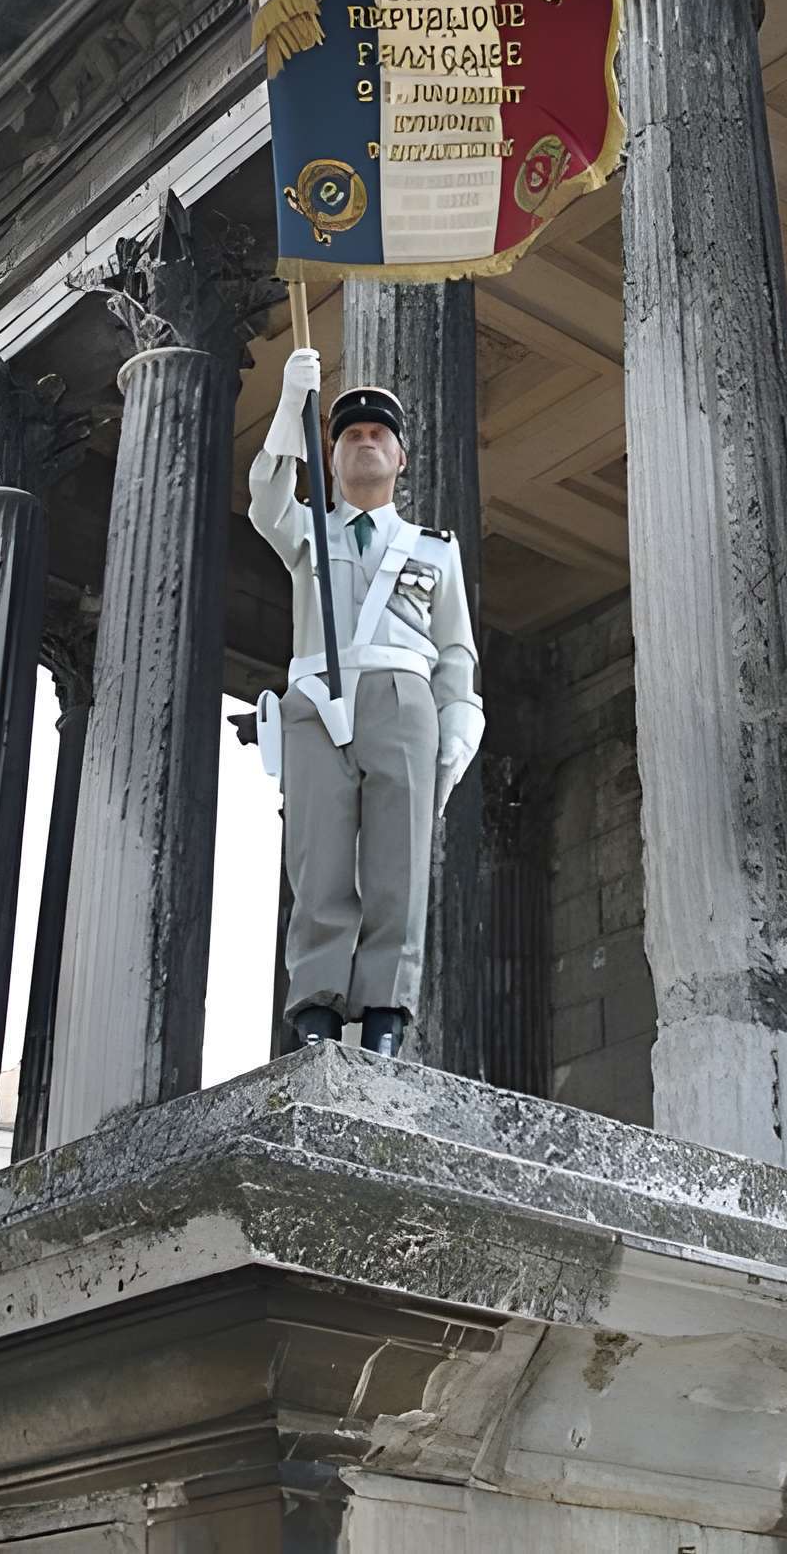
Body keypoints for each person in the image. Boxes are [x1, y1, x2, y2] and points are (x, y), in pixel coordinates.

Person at [249, 347, 482, 1057]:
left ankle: (386, 1008)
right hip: (318, 698)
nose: (365, 441)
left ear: (401, 457)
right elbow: (265, 497)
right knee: (316, 857)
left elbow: (455, 650)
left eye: (379, 433)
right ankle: (316, 1006)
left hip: (402, 698)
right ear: (333, 456)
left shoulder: (434, 549)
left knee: (398, 862)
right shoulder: (307, 529)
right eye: (350, 434)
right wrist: (290, 406)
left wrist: (459, 720)